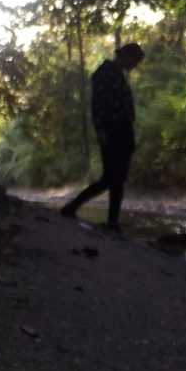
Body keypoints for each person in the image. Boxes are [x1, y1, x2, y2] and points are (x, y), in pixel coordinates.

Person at [60, 42, 145, 230]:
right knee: (111, 177)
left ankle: (107, 219)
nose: (135, 66)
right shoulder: (104, 73)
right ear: (125, 56)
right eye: (135, 61)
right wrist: (100, 130)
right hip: (111, 129)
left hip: (124, 129)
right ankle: (95, 214)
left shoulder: (119, 75)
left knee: (116, 177)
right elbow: (97, 104)